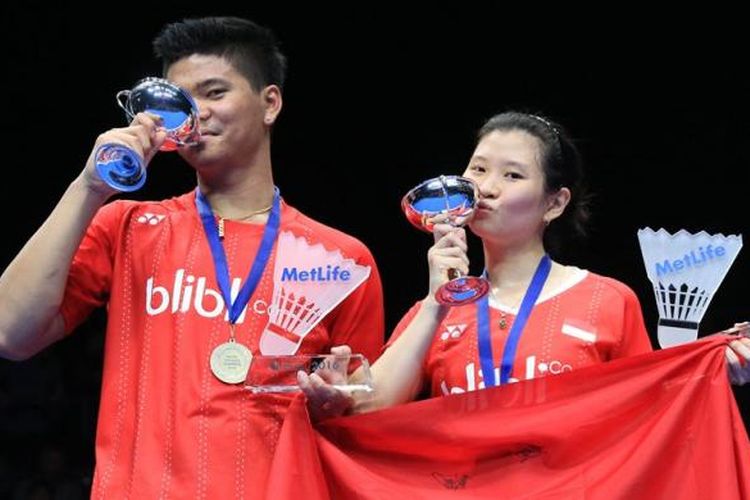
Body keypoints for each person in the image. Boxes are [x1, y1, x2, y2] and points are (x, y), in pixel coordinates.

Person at [0, 16, 384, 498]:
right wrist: (89, 187)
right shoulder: (126, 227)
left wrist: (335, 405)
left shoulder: (342, 260)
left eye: (215, 92)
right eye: (181, 101)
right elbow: (9, 331)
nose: (195, 113)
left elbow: (368, 419)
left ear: (270, 103)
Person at [300, 110, 750, 417]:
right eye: (478, 170)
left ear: (554, 203)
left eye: (512, 175)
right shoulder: (430, 312)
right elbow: (369, 410)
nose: (487, 188)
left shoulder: (608, 301)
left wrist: (710, 368)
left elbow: (650, 411)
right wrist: (436, 302)